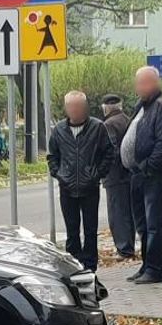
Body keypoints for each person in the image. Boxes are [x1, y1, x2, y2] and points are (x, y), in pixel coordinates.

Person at [48, 91, 114, 272]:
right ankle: (74, 266)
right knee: (72, 230)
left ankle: (91, 267)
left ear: (85, 108)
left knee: (90, 230)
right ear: (66, 108)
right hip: (67, 188)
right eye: (71, 107)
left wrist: (97, 174)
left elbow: (109, 153)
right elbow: (52, 156)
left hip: (90, 187)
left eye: (78, 107)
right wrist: (59, 173)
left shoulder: (97, 128)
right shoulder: (59, 130)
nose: (75, 110)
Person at [121, 67, 162, 284]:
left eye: (145, 83)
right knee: (142, 224)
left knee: (155, 223)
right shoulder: (142, 106)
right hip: (137, 173)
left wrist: (147, 167)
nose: (140, 88)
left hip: (153, 174)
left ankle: (155, 269)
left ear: (155, 83)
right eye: (139, 84)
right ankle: (145, 265)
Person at [101, 94, 136, 260]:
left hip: (115, 176)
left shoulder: (108, 124)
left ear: (106, 107)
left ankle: (124, 248)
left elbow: (111, 150)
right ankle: (129, 245)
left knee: (117, 213)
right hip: (130, 173)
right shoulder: (128, 120)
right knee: (128, 212)